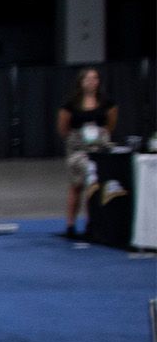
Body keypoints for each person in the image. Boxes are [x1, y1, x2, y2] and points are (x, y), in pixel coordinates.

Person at [58, 66, 117, 237]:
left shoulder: (106, 102)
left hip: (99, 147)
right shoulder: (70, 104)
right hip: (78, 149)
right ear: (81, 82)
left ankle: (93, 223)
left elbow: (111, 124)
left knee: (96, 184)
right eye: (88, 79)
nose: (92, 82)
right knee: (77, 185)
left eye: (95, 78)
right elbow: (63, 128)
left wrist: (101, 136)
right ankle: (70, 224)